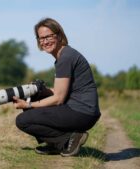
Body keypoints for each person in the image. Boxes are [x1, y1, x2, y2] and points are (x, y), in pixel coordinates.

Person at [13, 18, 101, 157]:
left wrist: (29, 104)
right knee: (36, 94)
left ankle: (67, 140)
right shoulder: (64, 55)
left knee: (23, 121)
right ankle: (56, 143)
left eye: (49, 36)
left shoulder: (65, 58)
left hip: (82, 112)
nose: (45, 41)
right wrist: (39, 90)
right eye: (41, 38)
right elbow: (61, 91)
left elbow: (59, 99)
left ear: (59, 35)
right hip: (83, 110)